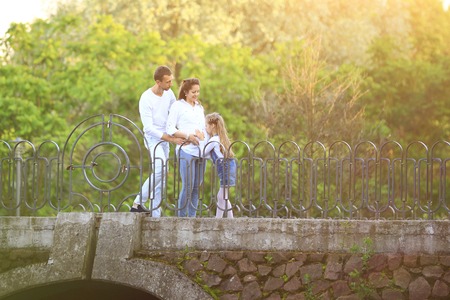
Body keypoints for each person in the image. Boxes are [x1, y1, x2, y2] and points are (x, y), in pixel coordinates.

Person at [130, 66, 185, 216]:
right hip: (153, 138)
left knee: (161, 174)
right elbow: (148, 128)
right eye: (167, 82)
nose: (170, 84)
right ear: (158, 82)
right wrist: (172, 139)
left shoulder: (169, 94)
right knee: (161, 169)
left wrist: (182, 132)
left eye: (171, 81)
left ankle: (155, 215)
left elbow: (176, 113)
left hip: (166, 137)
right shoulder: (146, 98)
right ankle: (137, 203)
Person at [166, 78, 206, 217]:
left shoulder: (200, 108)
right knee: (187, 186)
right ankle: (181, 218)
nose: (196, 94)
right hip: (186, 150)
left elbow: (203, 129)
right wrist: (188, 136)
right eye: (193, 92)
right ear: (185, 92)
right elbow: (170, 128)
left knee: (196, 187)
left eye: (198, 92)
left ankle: (192, 217)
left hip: (200, 150)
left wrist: (202, 135)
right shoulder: (178, 106)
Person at [201, 113, 236, 218]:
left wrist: (201, 138)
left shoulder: (213, 140)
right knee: (222, 196)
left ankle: (229, 219)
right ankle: (219, 219)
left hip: (224, 169)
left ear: (212, 126)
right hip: (230, 167)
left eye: (206, 125)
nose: (205, 128)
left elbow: (202, 153)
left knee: (222, 196)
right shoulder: (220, 138)